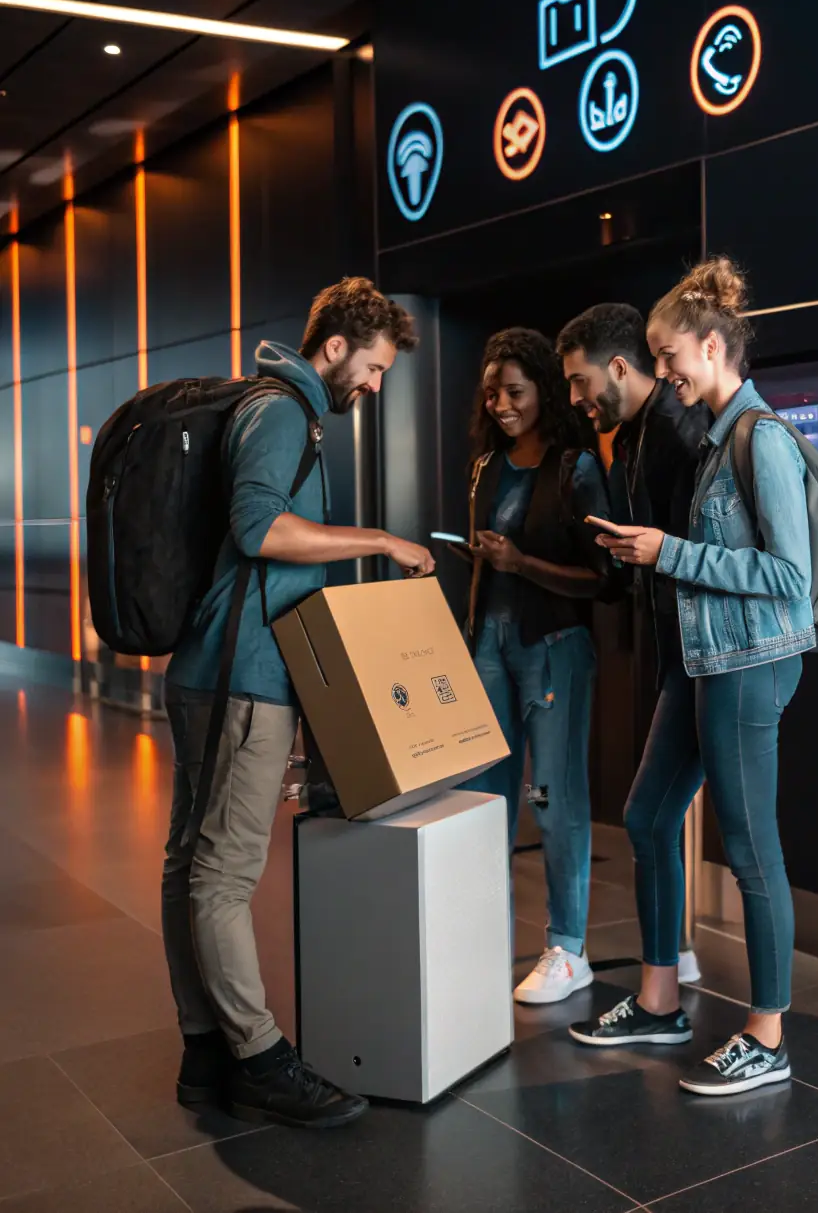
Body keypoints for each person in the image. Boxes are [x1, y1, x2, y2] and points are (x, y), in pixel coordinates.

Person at [162, 278, 435, 1129]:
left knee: (191, 860)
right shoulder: (283, 411)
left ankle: (205, 1048)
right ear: (335, 347)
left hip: (217, 669)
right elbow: (260, 528)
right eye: (377, 366)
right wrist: (380, 540)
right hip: (242, 675)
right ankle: (259, 1054)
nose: (376, 384)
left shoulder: (277, 405)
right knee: (223, 871)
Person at [569, 258, 814, 1098]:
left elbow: (790, 577)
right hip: (707, 661)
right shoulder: (715, 436)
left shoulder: (762, 437)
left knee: (750, 851)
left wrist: (666, 551)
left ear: (712, 346)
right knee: (647, 815)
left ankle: (768, 1034)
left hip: (748, 665)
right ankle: (662, 998)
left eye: (670, 355)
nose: (663, 371)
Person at [459, 328, 611, 1005]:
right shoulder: (485, 468)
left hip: (554, 646)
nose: (500, 404)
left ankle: (568, 947)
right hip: (488, 644)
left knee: (554, 800)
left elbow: (600, 577)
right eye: (492, 393)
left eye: (513, 392)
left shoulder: (575, 468)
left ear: (544, 390)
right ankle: (478, 934)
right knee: (485, 800)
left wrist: (520, 562)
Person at [557, 304, 707, 983]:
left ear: (619, 366)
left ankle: (676, 993)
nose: (575, 398)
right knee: (651, 818)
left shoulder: (675, 431)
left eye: (579, 380)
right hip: (681, 659)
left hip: (706, 661)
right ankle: (664, 985)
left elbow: (704, 550)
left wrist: (650, 553)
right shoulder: (641, 434)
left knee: (664, 820)